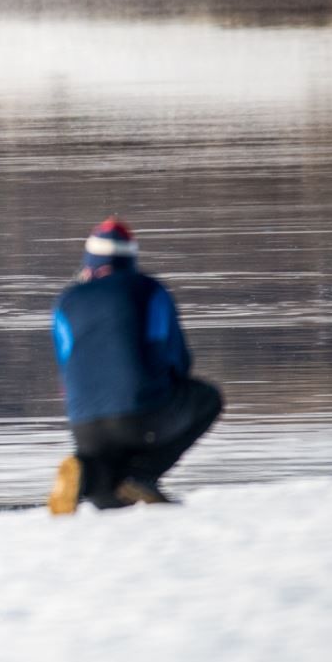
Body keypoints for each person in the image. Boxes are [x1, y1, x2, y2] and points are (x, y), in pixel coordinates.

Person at [47, 218, 223, 514]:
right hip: (142, 414)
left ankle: (85, 473)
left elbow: (67, 365)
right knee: (207, 399)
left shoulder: (65, 301)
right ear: (130, 258)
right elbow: (174, 355)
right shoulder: (148, 290)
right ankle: (143, 475)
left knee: (110, 500)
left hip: (84, 425)